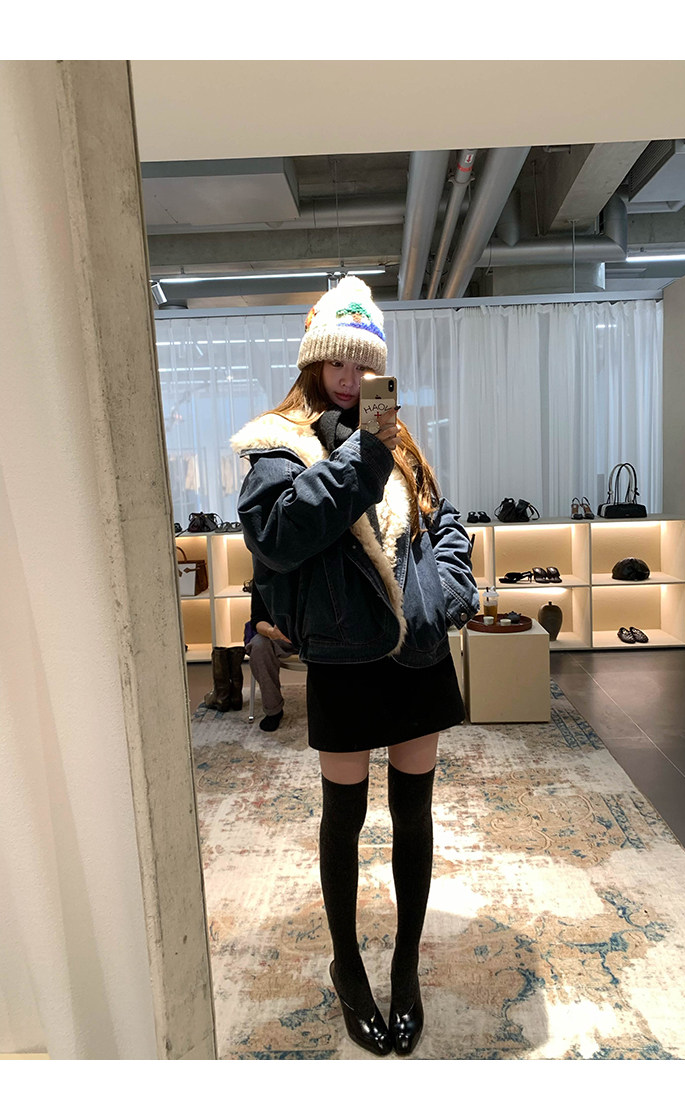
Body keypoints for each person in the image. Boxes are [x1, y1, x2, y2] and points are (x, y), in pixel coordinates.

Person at [231, 276, 479, 1057]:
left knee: (414, 814)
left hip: (416, 653)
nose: (348, 377)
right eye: (336, 361)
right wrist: (363, 456)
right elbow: (277, 536)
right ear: (314, 362)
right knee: (344, 818)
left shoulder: (399, 439)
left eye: (362, 364)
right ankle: (348, 966)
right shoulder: (280, 441)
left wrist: (449, 586)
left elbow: (443, 519)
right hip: (342, 654)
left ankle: (404, 966)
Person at [245, 581, 297, 732]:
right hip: (278, 636)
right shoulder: (263, 577)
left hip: (314, 635)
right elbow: (257, 619)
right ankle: (273, 710)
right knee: (259, 646)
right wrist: (270, 631)